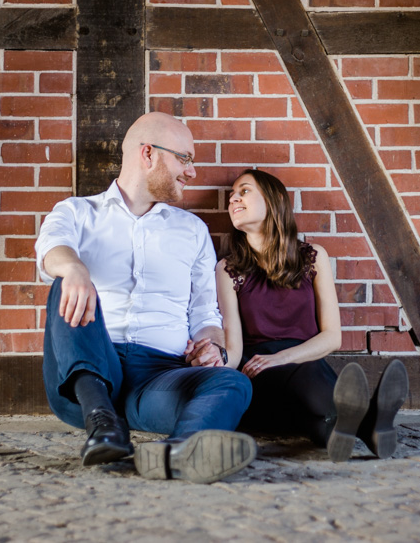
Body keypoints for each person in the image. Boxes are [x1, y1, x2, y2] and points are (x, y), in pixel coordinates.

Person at [35, 112, 255, 483]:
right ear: (149, 154)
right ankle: (103, 426)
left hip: (158, 380)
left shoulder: (192, 231)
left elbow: (205, 311)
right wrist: (74, 269)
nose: (192, 171)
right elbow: (51, 250)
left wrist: (212, 346)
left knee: (234, 383)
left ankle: (178, 452)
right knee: (64, 282)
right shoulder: (76, 212)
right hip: (86, 378)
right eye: (184, 158)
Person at [215, 168, 409, 461]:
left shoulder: (312, 257)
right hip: (259, 373)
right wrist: (212, 366)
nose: (233, 200)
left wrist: (283, 357)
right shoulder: (228, 270)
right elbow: (235, 348)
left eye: (244, 191)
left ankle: (352, 430)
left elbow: (332, 337)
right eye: (231, 197)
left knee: (319, 416)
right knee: (309, 376)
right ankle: (371, 420)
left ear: (275, 199)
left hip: (306, 369)